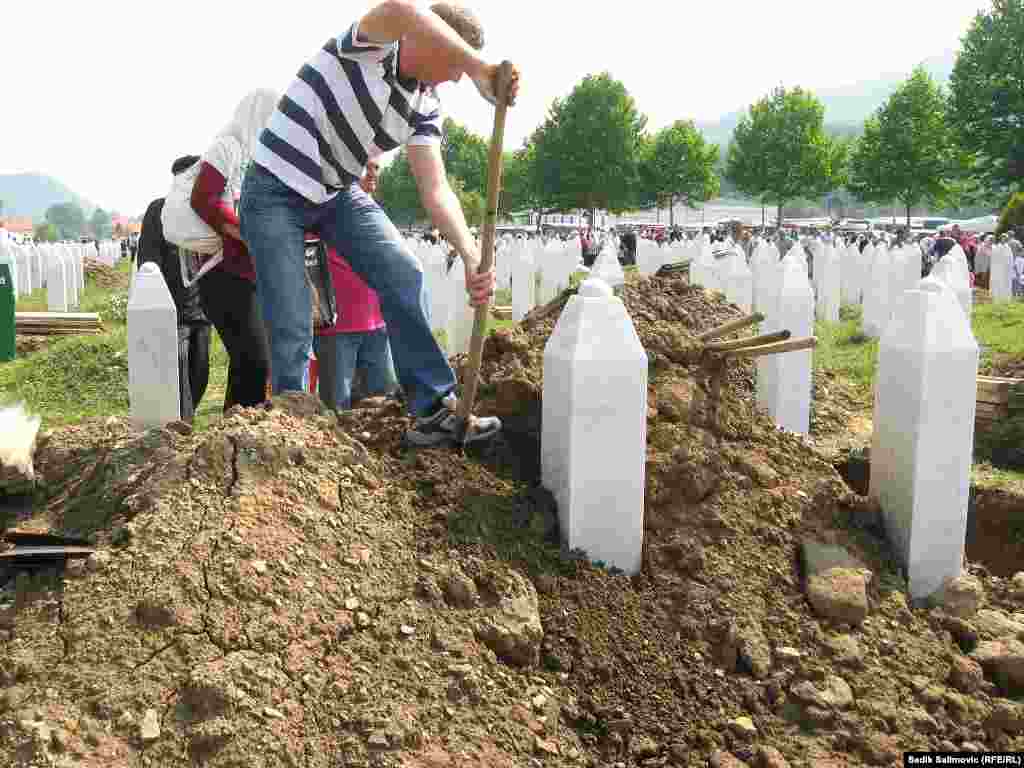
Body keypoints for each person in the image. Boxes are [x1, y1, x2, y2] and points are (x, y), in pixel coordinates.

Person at [239, 2, 519, 446]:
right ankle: (288, 439)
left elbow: (435, 187)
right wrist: (480, 66)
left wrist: (469, 255)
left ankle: (431, 408)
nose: (457, 77)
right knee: (292, 320)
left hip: (335, 193)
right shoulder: (369, 48)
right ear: (427, 36)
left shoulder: (425, 102)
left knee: (402, 272)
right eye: (454, 62)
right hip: (275, 187)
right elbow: (400, 6)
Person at [190, 90, 278, 412]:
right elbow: (203, 199)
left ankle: (233, 433)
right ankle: (243, 433)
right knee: (255, 360)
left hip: (250, 275)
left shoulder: (260, 157)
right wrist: (243, 232)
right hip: (224, 275)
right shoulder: (227, 147)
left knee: (248, 363)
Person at [314, 159, 399, 410]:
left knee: (384, 404)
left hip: (377, 324)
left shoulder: (377, 212)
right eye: (366, 166)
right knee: (337, 408)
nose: (373, 173)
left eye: (377, 167)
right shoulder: (324, 208)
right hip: (337, 327)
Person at [138, 155, 213, 422]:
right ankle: (182, 428)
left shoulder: (204, 211)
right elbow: (148, 263)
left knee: (200, 374)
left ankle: (185, 421)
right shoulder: (158, 212)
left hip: (204, 313)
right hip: (174, 314)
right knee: (179, 381)